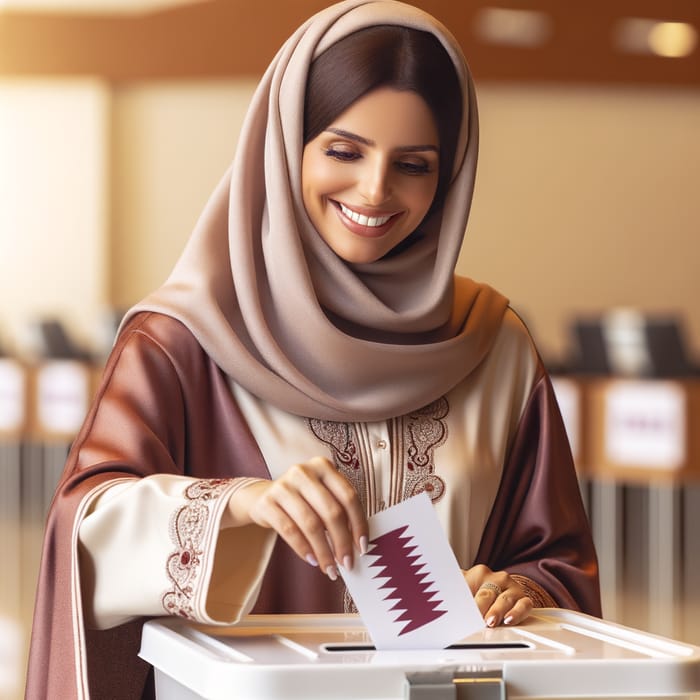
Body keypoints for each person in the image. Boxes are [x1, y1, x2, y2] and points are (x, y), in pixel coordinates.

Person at [26, 1, 601, 697]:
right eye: (343, 150)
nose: (375, 190)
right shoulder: (180, 340)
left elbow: (557, 561)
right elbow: (85, 531)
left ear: (449, 178)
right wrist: (238, 506)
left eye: (413, 165)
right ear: (283, 145)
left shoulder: (494, 345)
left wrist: (520, 590)